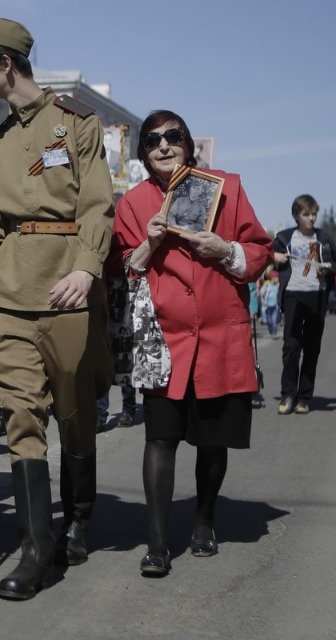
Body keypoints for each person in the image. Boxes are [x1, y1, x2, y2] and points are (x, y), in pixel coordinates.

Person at [0, 18, 115, 600]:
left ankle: (78, 518)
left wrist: (85, 268)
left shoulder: (76, 122)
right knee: (22, 418)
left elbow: (98, 206)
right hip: (9, 296)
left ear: (7, 63)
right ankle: (36, 550)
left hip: (68, 289)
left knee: (75, 413)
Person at [109, 109, 273, 577]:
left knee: (211, 438)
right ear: (142, 152)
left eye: (173, 136)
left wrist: (225, 250)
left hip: (220, 334)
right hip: (162, 338)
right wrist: (147, 244)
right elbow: (120, 268)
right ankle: (157, 541)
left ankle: (204, 520)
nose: (163, 145)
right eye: (152, 140)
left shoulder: (227, 187)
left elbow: (259, 250)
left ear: (188, 144)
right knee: (159, 437)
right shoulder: (133, 203)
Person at [272, 194, 334, 415]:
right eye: (306, 214)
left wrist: (329, 266)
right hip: (293, 295)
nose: (311, 218)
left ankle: (304, 397)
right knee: (291, 347)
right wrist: (274, 256)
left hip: (317, 295)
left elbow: (334, 264)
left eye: (314, 213)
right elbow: (266, 255)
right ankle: (288, 393)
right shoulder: (284, 237)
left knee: (312, 348)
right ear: (296, 215)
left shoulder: (325, 239)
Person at [260, 271, 280, 338]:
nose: (278, 279)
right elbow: (261, 293)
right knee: (269, 321)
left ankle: (274, 333)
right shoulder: (267, 285)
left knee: (274, 321)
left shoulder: (278, 286)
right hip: (268, 306)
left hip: (275, 306)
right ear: (272, 278)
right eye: (277, 277)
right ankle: (271, 332)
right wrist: (264, 287)